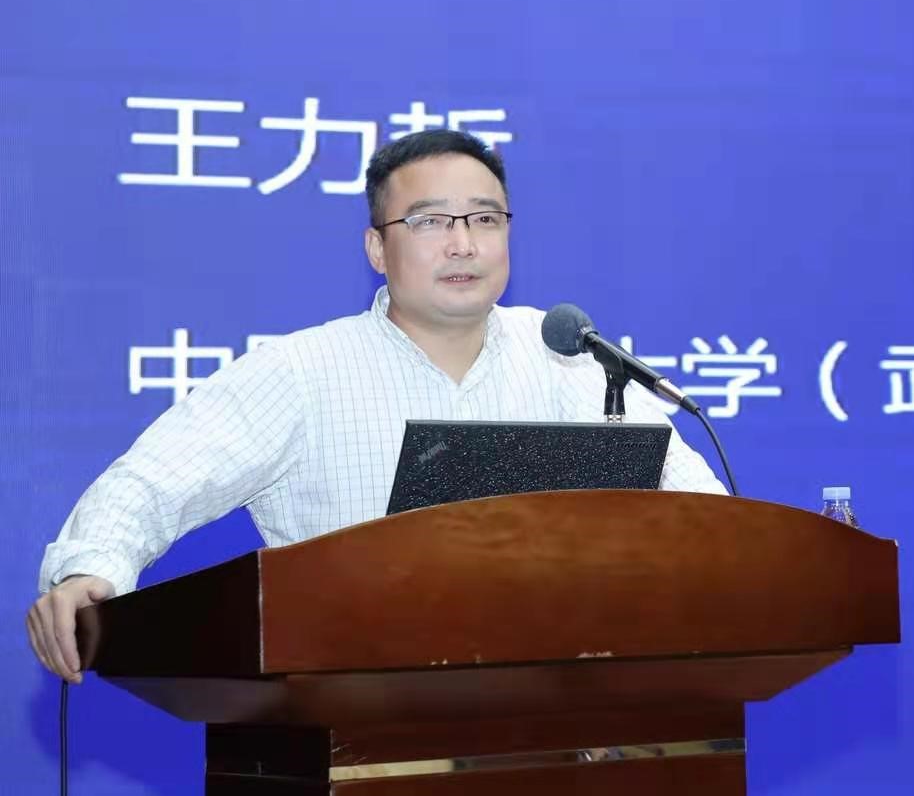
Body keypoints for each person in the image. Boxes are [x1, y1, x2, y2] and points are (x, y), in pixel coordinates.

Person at [25, 130, 727, 683]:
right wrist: (90, 568)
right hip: (353, 720)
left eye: (485, 218)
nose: (463, 243)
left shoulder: (571, 358)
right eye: (430, 221)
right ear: (377, 248)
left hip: (563, 716)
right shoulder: (301, 371)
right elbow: (153, 478)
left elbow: (703, 511)